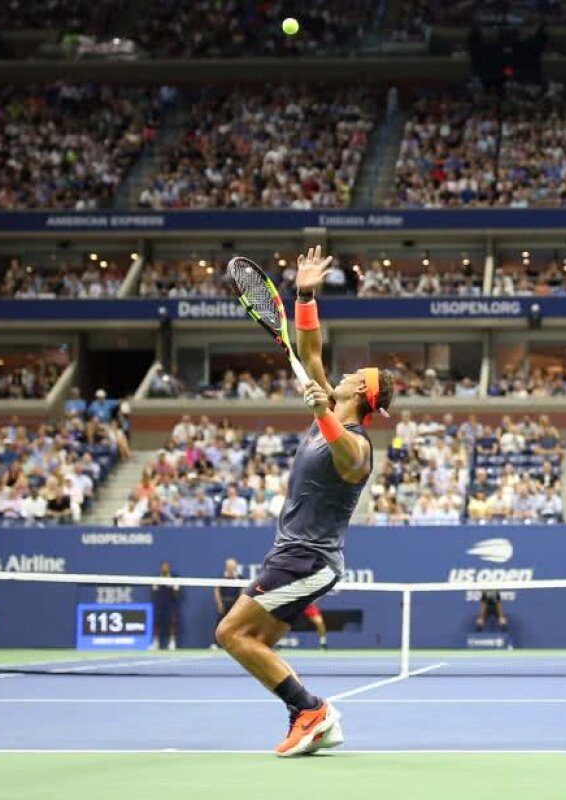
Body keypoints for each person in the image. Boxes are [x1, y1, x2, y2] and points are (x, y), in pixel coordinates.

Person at [214, 246, 394, 758]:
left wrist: (323, 415)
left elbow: (350, 460)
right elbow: (310, 351)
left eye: (354, 375)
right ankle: (308, 716)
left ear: (360, 391)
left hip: (308, 559)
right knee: (253, 641)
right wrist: (306, 294)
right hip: (293, 554)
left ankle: (310, 710)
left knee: (230, 632)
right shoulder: (328, 403)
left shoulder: (356, 441)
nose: (344, 373)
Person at [151, 560, 181, 651]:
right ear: (161, 568)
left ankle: (172, 642)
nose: (165, 568)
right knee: (157, 623)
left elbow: (177, 594)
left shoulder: (174, 578)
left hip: (171, 605)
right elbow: (154, 592)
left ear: (169, 568)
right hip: (160, 605)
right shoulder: (157, 579)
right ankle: (155, 642)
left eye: (166, 566)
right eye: (163, 566)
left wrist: (172, 586)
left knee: (172, 623)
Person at [213, 558, 243, 647]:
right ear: (226, 567)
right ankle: (217, 644)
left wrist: (240, 605)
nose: (231, 568)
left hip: (235, 603)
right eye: (229, 566)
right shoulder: (221, 578)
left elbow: (243, 592)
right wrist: (219, 604)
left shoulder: (240, 578)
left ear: (236, 567)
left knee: (237, 624)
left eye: (233, 567)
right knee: (220, 624)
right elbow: (217, 591)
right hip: (224, 603)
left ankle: (236, 644)